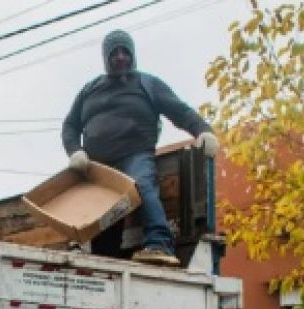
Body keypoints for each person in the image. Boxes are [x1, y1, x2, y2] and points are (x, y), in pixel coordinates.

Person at [61, 29, 219, 267]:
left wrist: (203, 130)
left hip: (134, 155)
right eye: (115, 53)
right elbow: (70, 124)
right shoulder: (90, 89)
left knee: (141, 184)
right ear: (106, 58)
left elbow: (179, 110)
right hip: (97, 166)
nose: (121, 57)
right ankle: (104, 258)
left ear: (133, 55)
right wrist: (75, 151)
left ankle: (159, 243)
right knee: (100, 210)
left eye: (126, 52)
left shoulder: (147, 83)